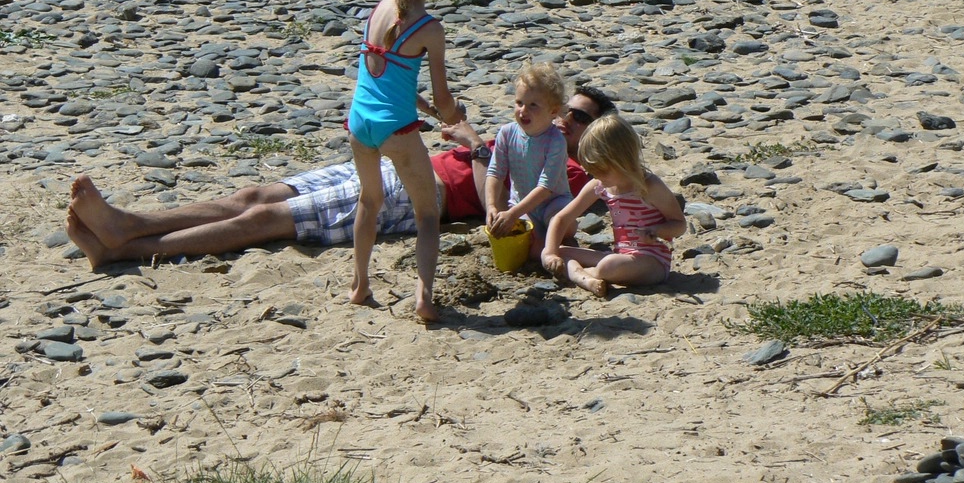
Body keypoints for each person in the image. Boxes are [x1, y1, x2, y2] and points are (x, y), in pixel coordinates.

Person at [65, 86, 616, 290]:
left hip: (421, 196)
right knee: (258, 196)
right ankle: (129, 224)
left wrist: (473, 144)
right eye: (566, 110)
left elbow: (496, 200)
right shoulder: (523, 131)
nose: (568, 121)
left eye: (581, 119)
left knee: (270, 223)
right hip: (405, 163)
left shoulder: (569, 172)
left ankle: (126, 245)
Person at [343, 0, 465, 321]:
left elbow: (385, 73)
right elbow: (444, 97)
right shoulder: (429, 28)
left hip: (360, 123)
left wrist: (425, 108)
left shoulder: (378, 11)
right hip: (396, 128)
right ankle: (424, 298)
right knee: (427, 213)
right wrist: (452, 115)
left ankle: (360, 284)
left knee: (369, 200)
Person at [541, 113, 686, 298]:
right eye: (593, 171)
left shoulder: (649, 187)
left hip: (652, 261)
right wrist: (550, 253)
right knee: (561, 251)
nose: (596, 176)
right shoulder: (600, 185)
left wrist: (656, 231)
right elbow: (561, 218)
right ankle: (589, 281)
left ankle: (582, 275)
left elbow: (679, 224)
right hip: (620, 254)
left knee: (609, 265)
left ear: (622, 161)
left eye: (601, 170)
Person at [485, 62, 573, 254]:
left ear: (553, 111)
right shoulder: (507, 133)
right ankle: (545, 245)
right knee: (523, 244)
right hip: (521, 205)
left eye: (533, 105)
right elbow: (495, 172)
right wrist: (491, 205)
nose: (523, 110)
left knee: (561, 222)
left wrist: (512, 214)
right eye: (519, 103)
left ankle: (556, 246)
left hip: (554, 202)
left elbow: (546, 187)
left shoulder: (555, 140)